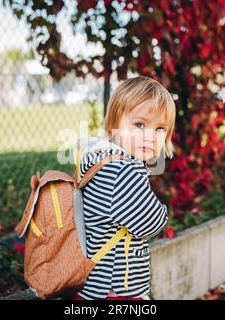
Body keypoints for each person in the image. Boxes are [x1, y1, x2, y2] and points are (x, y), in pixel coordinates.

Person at [70, 76, 176, 300]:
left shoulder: (100, 160)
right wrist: (162, 212)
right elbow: (149, 224)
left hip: (92, 282)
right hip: (115, 287)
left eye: (160, 129)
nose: (150, 136)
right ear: (114, 125)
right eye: (140, 125)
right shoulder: (123, 171)